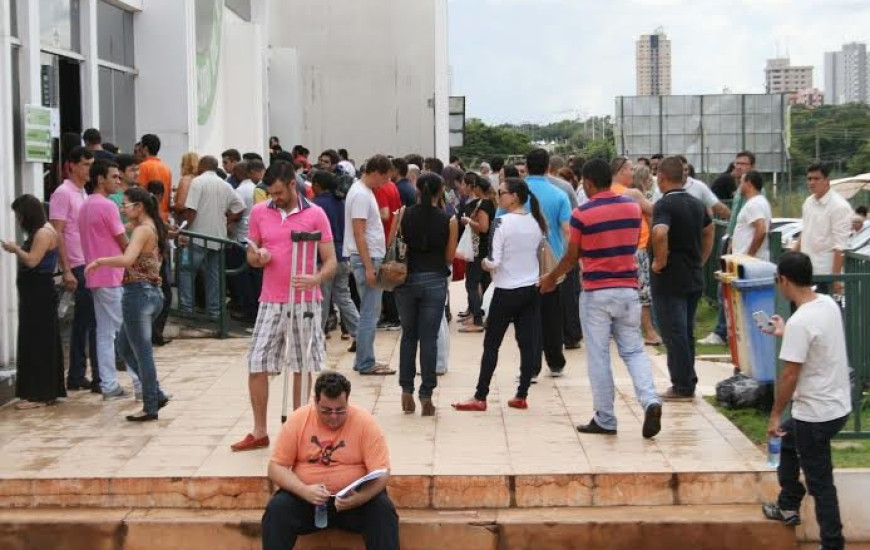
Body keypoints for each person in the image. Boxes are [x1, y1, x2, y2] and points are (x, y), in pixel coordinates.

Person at [540, 159, 662, 438]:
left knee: (599, 356)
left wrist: (551, 278)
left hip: (597, 292)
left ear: (589, 182)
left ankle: (606, 418)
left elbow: (572, 257)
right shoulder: (632, 209)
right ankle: (650, 400)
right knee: (633, 351)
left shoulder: (582, 215)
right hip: (628, 290)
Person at [231, 161, 336, 452]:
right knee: (257, 362)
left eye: (278, 192)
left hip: (304, 300)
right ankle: (259, 430)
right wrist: (258, 257)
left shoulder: (315, 214)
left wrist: (315, 278)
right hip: (270, 299)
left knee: (302, 365)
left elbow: (331, 261)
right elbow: (251, 254)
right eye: (270, 193)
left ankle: (299, 430)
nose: (274, 198)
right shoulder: (260, 212)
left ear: (292, 184)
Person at [762, 252, 851, 550]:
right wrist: (785, 333)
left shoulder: (801, 321)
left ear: (784, 280)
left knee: (821, 484)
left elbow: (789, 376)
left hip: (815, 414)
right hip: (838, 407)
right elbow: (816, 341)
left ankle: (832, 544)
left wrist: (774, 415)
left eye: (778, 281)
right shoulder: (825, 304)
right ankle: (788, 505)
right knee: (788, 440)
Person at [262, 372, 398, 550]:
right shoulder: (298, 419)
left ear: (347, 401)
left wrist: (360, 498)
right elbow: (275, 467)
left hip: (354, 502)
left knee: (383, 511)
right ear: (315, 401)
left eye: (340, 410)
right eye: (326, 410)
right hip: (307, 501)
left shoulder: (365, 422)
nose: (333, 417)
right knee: (277, 510)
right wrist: (304, 491)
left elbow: (382, 472)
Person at [452, 178, 546, 411]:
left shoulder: (501, 223)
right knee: (526, 343)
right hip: (530, 289)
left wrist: (484, 263)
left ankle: (481, 395)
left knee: (492, 344)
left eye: (502, 192)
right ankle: (522, 394)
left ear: (513, 196)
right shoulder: (535, 222)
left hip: (506, 290)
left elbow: (494, 261)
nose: (499, 196)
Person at [85, 187, 171, 421]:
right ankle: (157, 393)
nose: (123, 209)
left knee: (142, 353)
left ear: (139, 207)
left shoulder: (143, 229)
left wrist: (99, 261)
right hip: (152, 294)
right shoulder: (152, 224)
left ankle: (151, 405)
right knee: (124, 347)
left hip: (139, 295)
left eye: (126, 205)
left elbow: (127, 259)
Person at [650, 157, 714, 401]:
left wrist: (660, 261)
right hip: (692, 275)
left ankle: (682, 385)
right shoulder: (697, 204)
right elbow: (709, 230)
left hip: (670, 279)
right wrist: (702, 258)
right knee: (686, 332)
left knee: (674, 333)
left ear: (662, 178)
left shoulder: (664, 206)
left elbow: (659, 232)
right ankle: (688, 379)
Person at [395, 173, 457, 415]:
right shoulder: (448, 220)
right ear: (440, 191)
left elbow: (396, 245)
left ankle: (406, 389)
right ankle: (426, 393)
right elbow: (450, 257)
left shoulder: (403, 214)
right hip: (434, 279)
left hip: (406, 279)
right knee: (429, 338)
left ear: (417, 190)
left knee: (408, 336)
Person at [80, 159, 138, 400]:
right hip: (111, 275)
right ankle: (142, 383)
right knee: (128, 331)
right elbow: (122, 240)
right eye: (113, 177)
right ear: (100, 179)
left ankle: (109, 384)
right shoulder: (106, 206)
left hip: (97, 275)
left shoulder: (86, 205)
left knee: (105, 333)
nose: (118, 180)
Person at [2, 195, 66, 409]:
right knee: (35, 340)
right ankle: (37, 391)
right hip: (34, 294)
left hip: (39, 294)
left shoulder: (43, 233)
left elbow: (32, 260)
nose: (19, 220)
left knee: (38, 341)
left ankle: (40, 394)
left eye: (20, 216)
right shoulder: (45, 230)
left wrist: (15, 249)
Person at [50, 146, 100, 392]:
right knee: (84, 321)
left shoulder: (82, 192)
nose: (89, 169)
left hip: (87, 260)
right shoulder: (63, 193)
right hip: (76, 262)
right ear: (72, 165)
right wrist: (66, 268)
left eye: (91, 165)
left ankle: (79, 373)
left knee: (87, 321)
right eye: (85, 164)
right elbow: (56, 232)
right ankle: (77, 373)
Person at [699, 150, 756, 346]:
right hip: (733, 245)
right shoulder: (740, 189)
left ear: (752, 168)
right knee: (724, 289)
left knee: (729, 290)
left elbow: (760, 228)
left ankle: (724, 333)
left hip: (743, 253)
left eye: (744, 164)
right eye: (737, 163)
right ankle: (726, 332)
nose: (738, 167)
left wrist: (749, 253)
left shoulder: (754, 194)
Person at [523, 149, 572, 378]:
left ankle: (531, 366)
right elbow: (567, 231)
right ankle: (555, 362)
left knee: (527, 314)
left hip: (522, 260)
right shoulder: (559, 194)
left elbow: (499, 225)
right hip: (553, 261)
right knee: (552, 313)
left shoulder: (515, 193)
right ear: (547, 167)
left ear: (525, 165)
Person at [345, 155, 395, 375]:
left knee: (369, 311)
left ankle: (363, 359)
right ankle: (366, 361)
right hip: (367, 258)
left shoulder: (363, 192)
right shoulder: (361, 195)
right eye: (384, 178)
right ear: (376, 172)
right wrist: (368, 266)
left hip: (368, 257)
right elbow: (359, 232)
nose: (384, 184)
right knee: (369, 313)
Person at [178, 156, 246, 318]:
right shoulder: (225, 185)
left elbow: (192, 210)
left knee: (186, 271)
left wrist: (183, 229)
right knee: (214, 275)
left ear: (202, 166)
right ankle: (214, 311)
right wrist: (226, 221)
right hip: (218, 237)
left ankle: (186, 309)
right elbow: (240, 207)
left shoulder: (198, 182)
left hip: (197, 236)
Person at [611, 157, 661, 346]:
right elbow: (652, 210)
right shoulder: (631, 193)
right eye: (631, 169)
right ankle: (649, 332)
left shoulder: (605, 192)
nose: (633, 173)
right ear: (621, 170)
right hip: (636, 247)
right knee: (643, 292)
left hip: (616, 248)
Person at [311, 169, 359, 349]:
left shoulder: (315, 205)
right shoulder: (342, 203)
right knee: (344, 297)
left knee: (322, 299)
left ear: (317, 185)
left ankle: (318, 336)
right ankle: (360, 334)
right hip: (342, 254)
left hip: (323, 257)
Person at [794, 163, 853, 296]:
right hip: (806, 271)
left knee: (825, 313)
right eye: (809, 179)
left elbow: (840, 246)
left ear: (827, 180)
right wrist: (792, 253)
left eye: (816, 178)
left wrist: (835, 277)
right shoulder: (808, 202)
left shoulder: (839, 206)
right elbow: (806, 230)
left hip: (824, 274)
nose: (812, 182)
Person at [458, 174, 494, 332]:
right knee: (481, 282)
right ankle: (478, 315)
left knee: (472, 284)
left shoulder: (483, 205)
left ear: (477, 188)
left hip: (479, 250)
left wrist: (468, 221)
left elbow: (483, 227)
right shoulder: (489, 203)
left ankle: (477, 321)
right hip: (484, 249)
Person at [374, 162, 403, 331]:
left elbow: (384, 214)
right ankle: (394, 316)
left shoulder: (380, 188)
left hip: (384, 237)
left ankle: (391, 317)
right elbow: (397, 211)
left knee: (385, 281)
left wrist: (368, 212)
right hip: (392, 235)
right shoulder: (392, 185)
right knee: (391, 279)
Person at [146, 181, 175, 347]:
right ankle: (155, 333)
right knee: (163, 296)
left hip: (156, 261)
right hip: (156, 261)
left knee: (161, 296)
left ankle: (154, 334)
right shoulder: (151, 217)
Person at [730, 170, 772, 260]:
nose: (740, 186)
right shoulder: (761, 202)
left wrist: (749, 257)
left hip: (750, 262)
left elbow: (761, 230)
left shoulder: (754, 204)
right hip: (751, 260)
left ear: (749, 183)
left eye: (741, 182)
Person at [137, 134, 173, 222]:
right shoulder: (166, 168)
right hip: (164, 216)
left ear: (145, 149)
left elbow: (141, 192)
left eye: (140, 146)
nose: (138, 149)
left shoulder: (142, 167)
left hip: (149, 216)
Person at [172, 152, 200, 217]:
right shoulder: (200, 179)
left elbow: (180, 205)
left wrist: (172, 207)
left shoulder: (186, 179)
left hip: (185, 219)